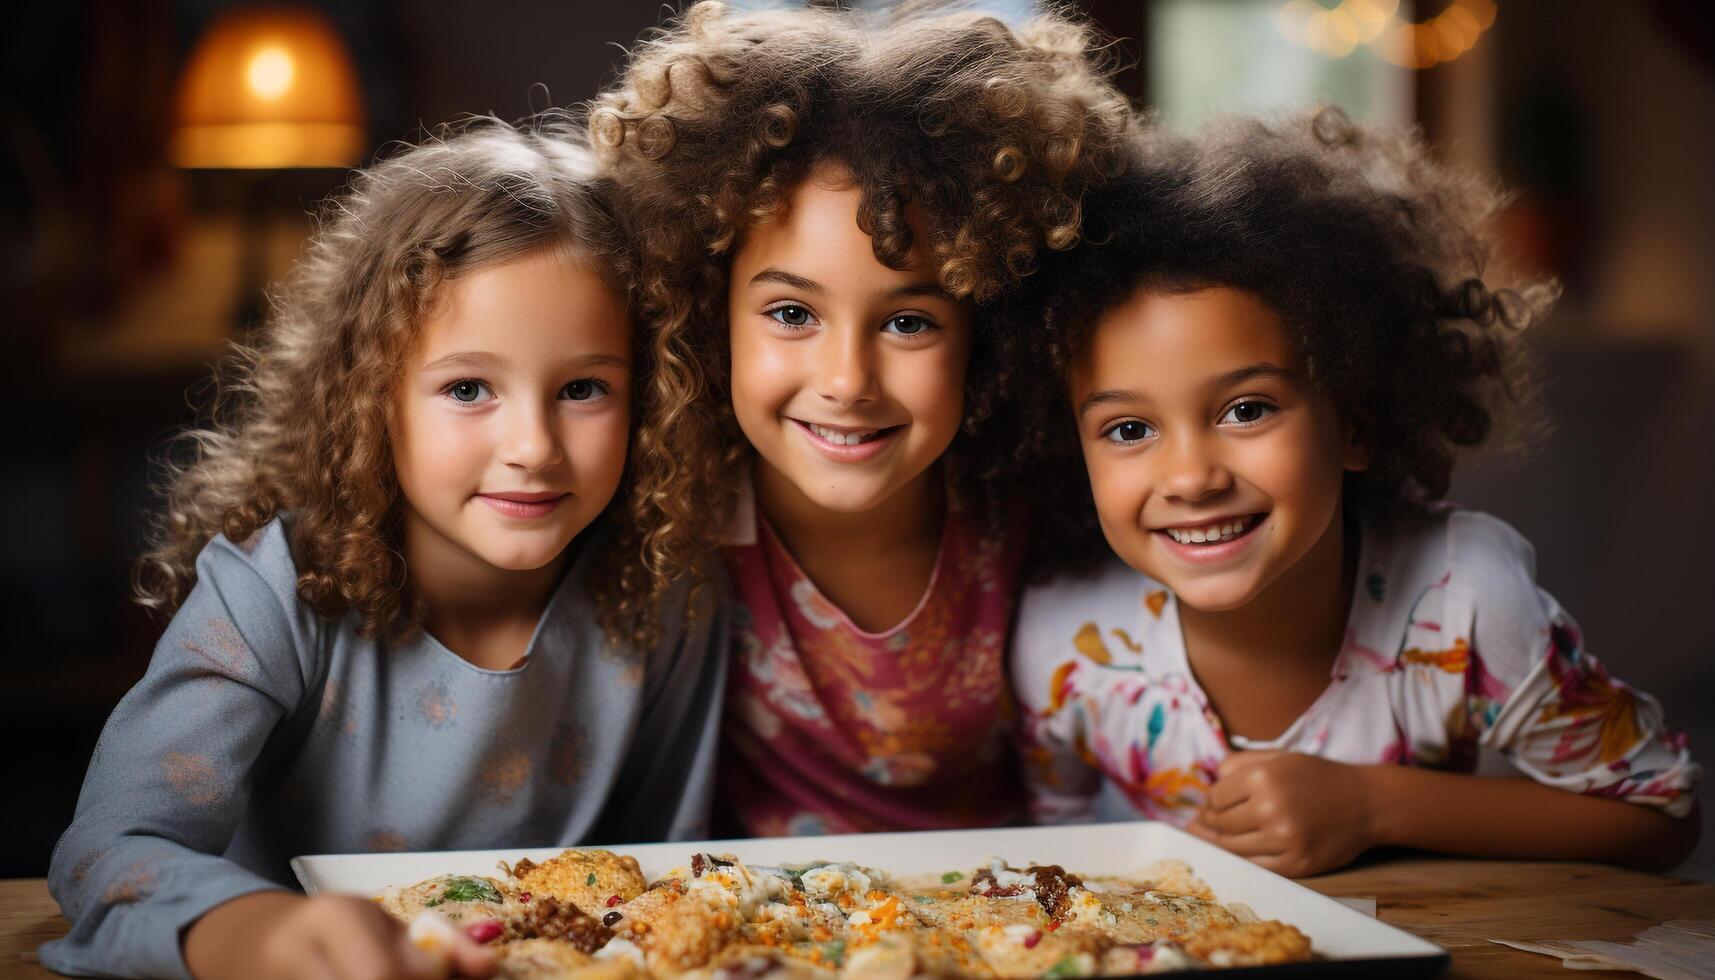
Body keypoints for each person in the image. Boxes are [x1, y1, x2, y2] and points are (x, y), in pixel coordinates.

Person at [43, 118, 728, 980]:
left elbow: (672, 881)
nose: (533, 445)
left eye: (584, 388)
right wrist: (257, 938)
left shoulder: (668, 591)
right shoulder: (271, 596)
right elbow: (108, 849)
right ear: (373, 401)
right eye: (469, 388)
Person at [1010, 109, 1701, 877]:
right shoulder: (1062, 643)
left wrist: (1372, 805)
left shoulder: (1462, 602)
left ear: (1356, 425)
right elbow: (1055, 864)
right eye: (1128, 430)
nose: (1190, 477)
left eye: (1247, 410)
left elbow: (1659, 812)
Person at [590, 2, 1130, 836]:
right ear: (704, 307)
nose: (846, 381)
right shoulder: (666, 513)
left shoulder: (1036, 511)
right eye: (791, 315)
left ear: (990, 331)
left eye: (909, 322)